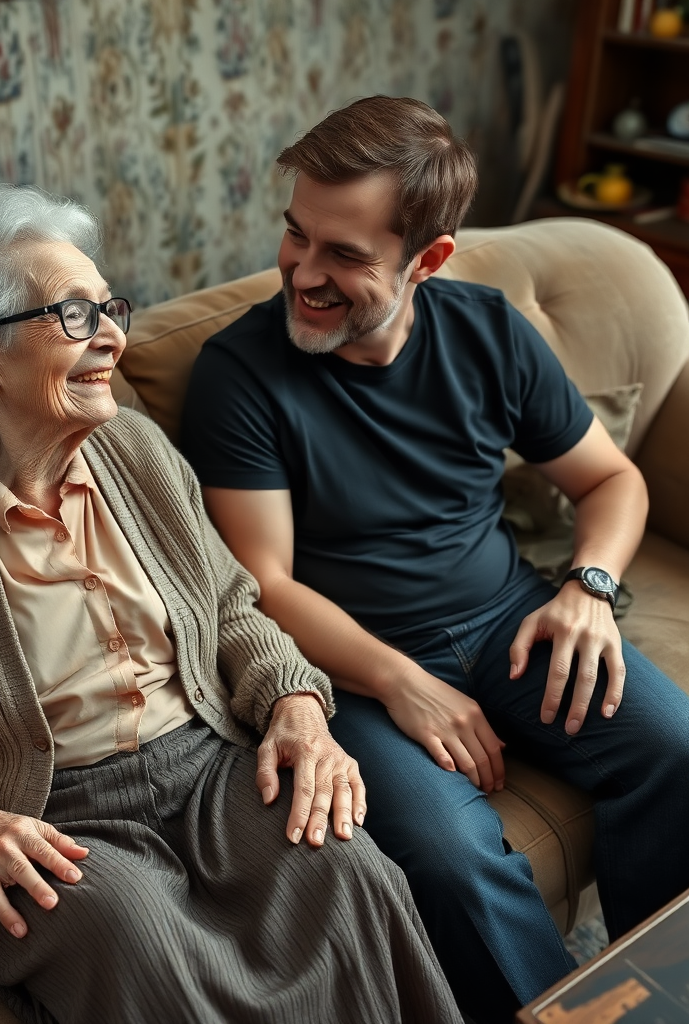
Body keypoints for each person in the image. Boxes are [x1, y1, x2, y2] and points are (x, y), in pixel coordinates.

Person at [0, 182, 463, 1024]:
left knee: (346, 872)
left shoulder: (136, 448)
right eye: (75, 317)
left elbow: (232, 608)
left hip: (207, 766)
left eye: (109, 308)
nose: (115, 337)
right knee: (143, 939)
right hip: (50, 810)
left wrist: (298, 706)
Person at [180, 96, 689, 1024]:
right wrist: (404, 682)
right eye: (298, 236)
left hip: (512, 620)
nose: (304, 272)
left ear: (430, 260)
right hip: (351, 672)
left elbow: (612, 482)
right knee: (452, 861)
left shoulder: (488, 332)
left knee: (677, 750)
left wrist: (588, 587)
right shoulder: (238, 374)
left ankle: (655, 996)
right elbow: (264, 587)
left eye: (346, 255)